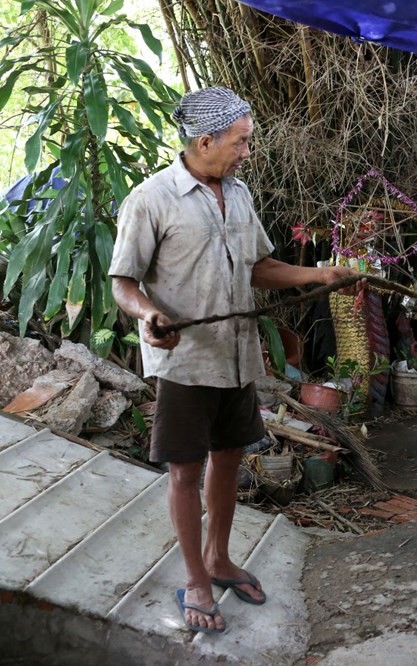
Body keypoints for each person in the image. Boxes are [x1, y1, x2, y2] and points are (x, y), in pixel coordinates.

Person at [109, 87, 362, 634]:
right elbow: (124, 282)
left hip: (236, 355)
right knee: (184, 470)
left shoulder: (240, 195)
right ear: (206, 140)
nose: (248, 151)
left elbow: (259, 267)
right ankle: (196, 577)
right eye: (241, 141)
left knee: (228, 458)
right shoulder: (151, 199)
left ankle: (219, 558)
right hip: (184, 363)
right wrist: (149, 314)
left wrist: (319, 276)